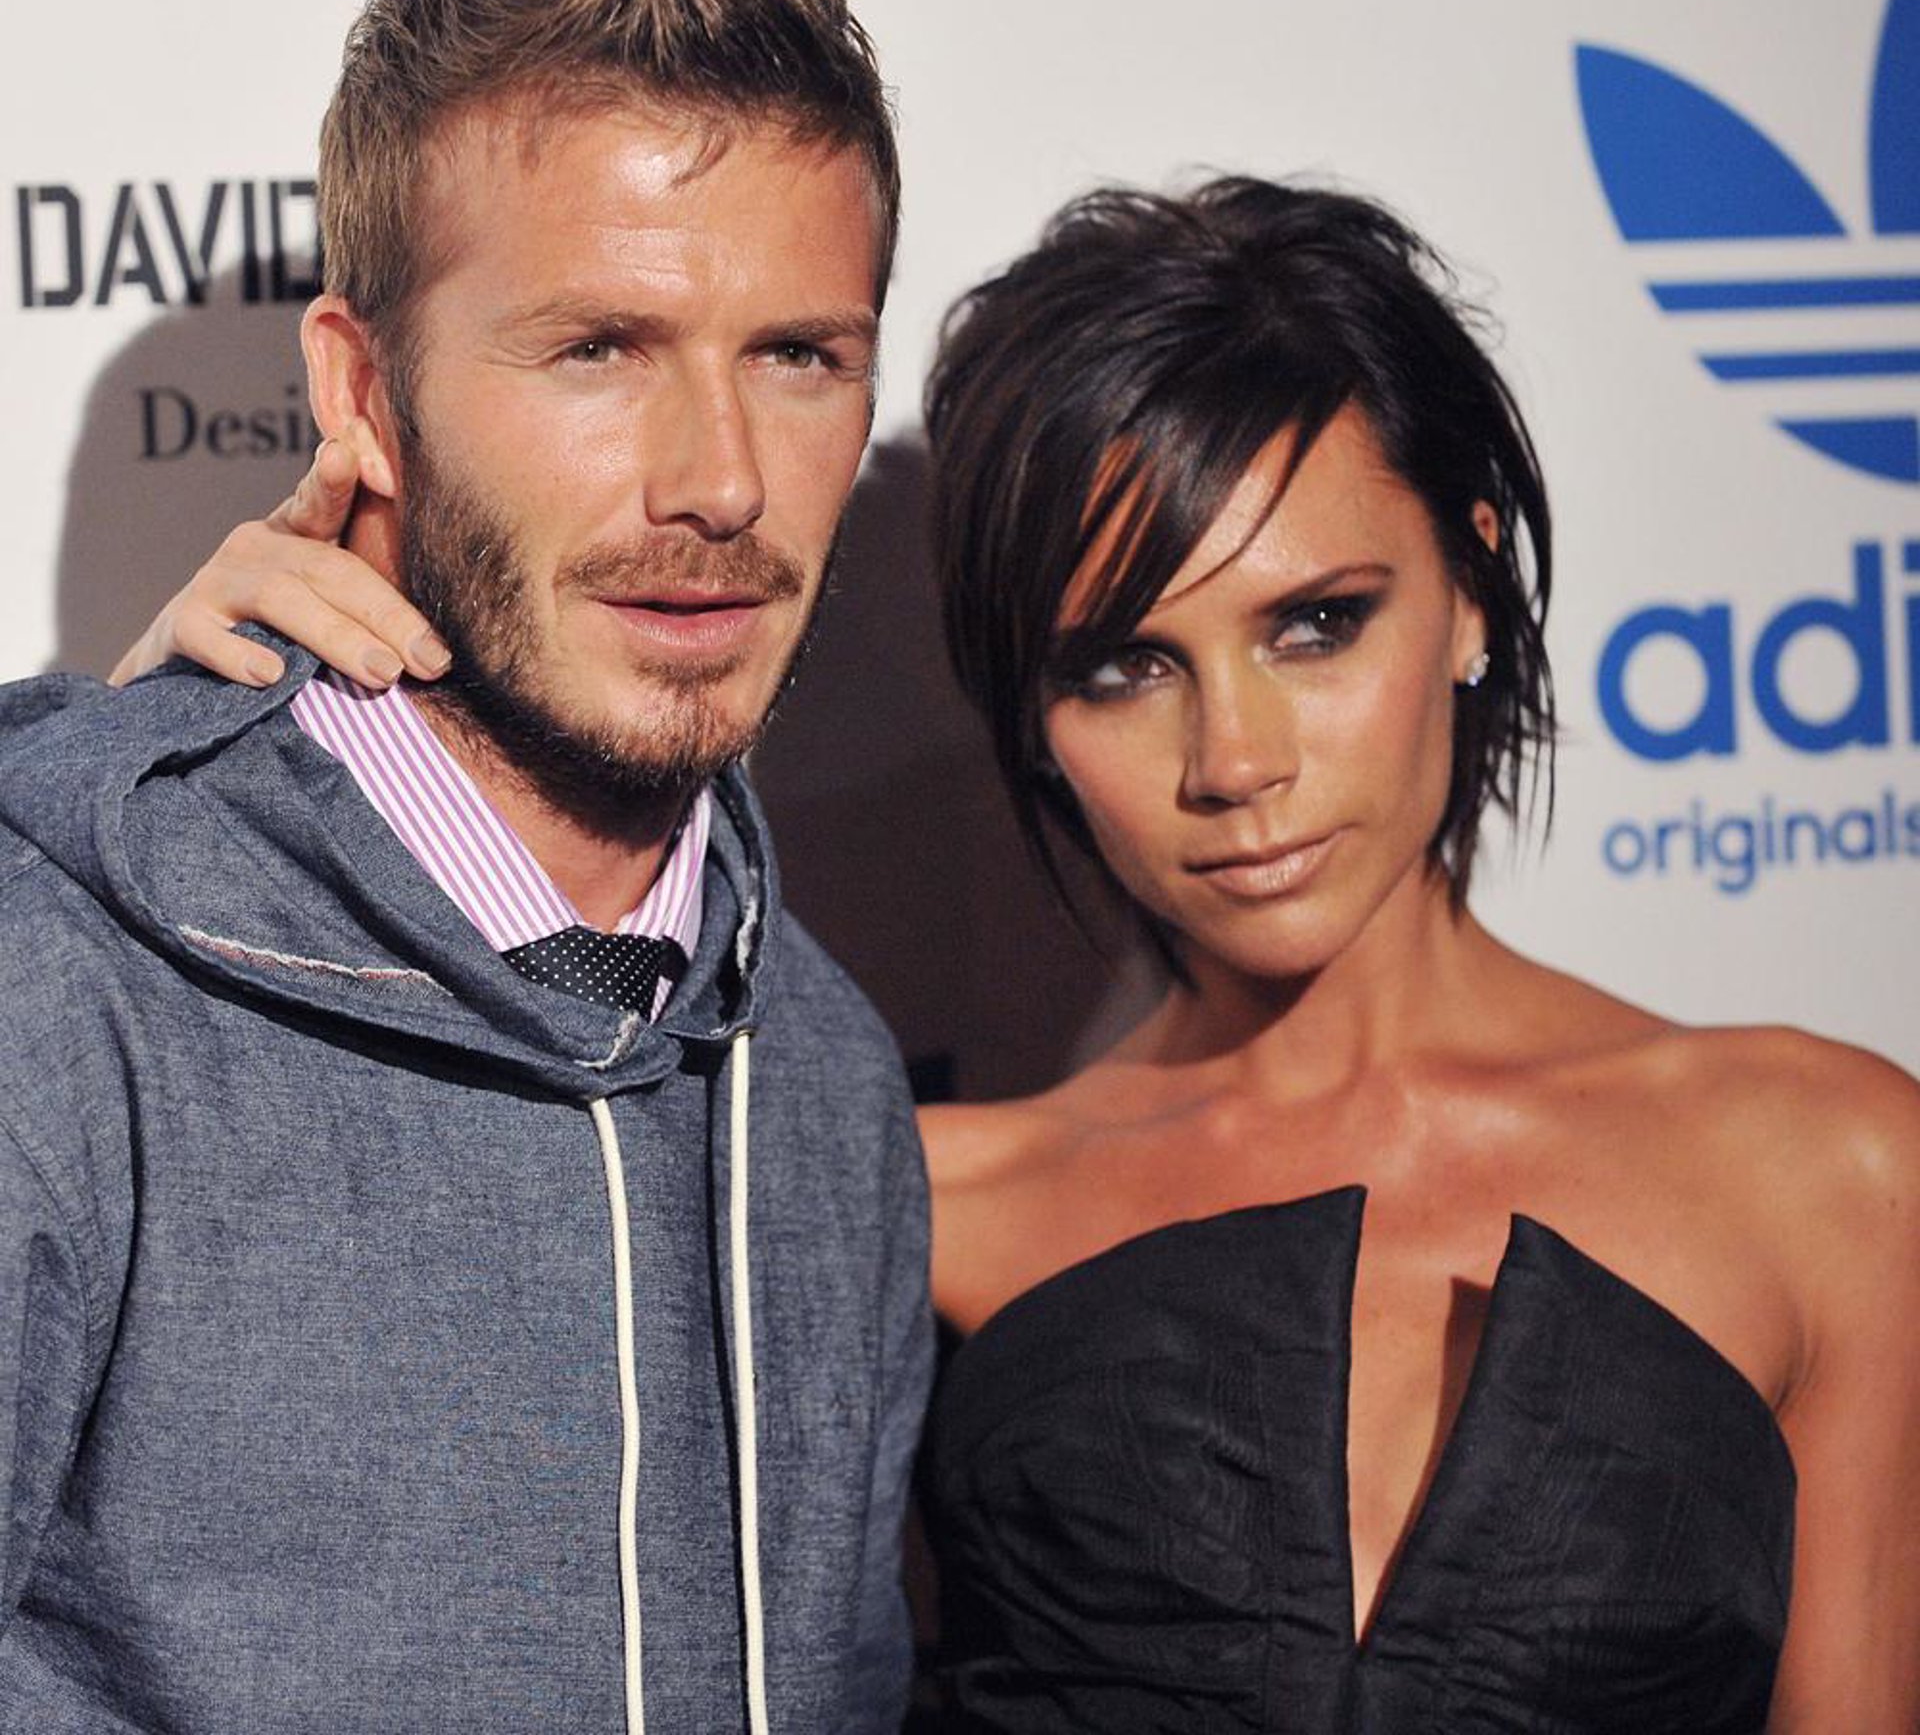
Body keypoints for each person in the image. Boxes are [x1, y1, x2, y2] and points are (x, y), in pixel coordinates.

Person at [119, 181, 1919, 1733]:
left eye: (1316, 624)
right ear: (1031, 719)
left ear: (1469, 585)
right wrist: (186, 740)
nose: (1236, 761)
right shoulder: (901, 1203)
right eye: (1123, 667)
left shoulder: (1828, 1169)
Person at [0, 0, 929, 1734]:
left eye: (798, 357)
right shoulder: (56, 1000)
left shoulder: (824, 1079)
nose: (721, 481)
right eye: (599, 348)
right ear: (362, 396)